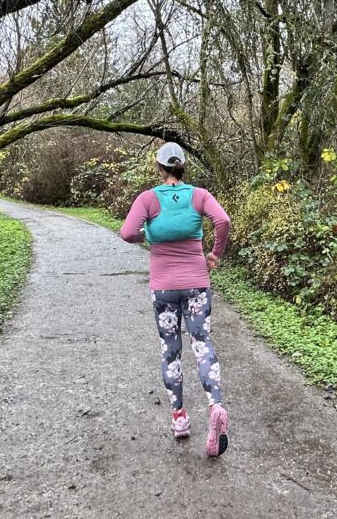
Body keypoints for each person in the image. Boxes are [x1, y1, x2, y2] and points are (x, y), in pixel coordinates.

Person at [120, 142, 231, 457]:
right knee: (202, 343)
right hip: (197, 283)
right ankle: (216, 405)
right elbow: (222, 221)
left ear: (159, 168)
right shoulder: (200, 195)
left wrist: (150, 235)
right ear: (183, 167)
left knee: (171, 350)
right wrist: (214, 254)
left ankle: (180, 418)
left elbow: (127, 233)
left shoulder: (148, 199)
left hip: (164, 287)